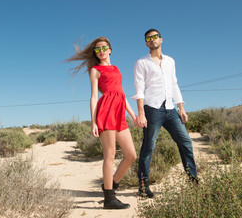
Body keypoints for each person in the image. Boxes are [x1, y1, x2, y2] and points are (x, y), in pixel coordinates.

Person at [66, 36, 137, 209]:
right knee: (110, 155)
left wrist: (134, 115)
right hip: (106, 111)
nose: (101, 51)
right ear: (95, 54)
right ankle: (109, 199)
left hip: (120, 112)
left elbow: (121, 93)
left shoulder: (117, 68)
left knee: (131, 155)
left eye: (104, 48)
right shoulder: (95, 70)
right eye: (97, 49)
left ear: (110, 49)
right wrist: (93, 122)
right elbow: (93, 97)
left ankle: (110, 185)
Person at [133, 29, 198, 198]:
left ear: (161, 39)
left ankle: (193, 181)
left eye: (155, 37)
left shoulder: (170, 61)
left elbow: (174, 84)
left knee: (185, 142)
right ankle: (143, 185)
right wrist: (141, 113)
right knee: (148, 146)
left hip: (171, 109)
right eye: (148, 38)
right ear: (146, 43)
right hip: (152, 109)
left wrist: (181, 107)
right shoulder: (141, 62)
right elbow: (139, 89)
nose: (152, 40)